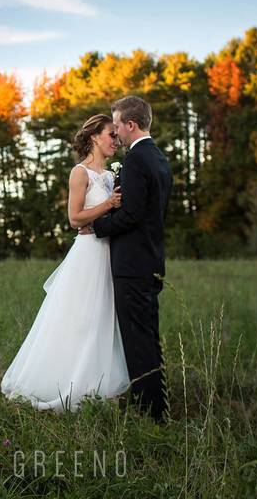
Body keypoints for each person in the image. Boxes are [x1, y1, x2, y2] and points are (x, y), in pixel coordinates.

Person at [0, 114, 130, 412]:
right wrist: (108, 205)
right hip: (88, 255)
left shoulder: (111, 175)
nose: (116, 140)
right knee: (80, 320)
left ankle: (100, 386)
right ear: (95, 137)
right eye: (111, 134)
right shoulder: (80, 173)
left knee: (104, 321)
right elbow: (74, 219)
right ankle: (66, 382)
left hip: (110, 253)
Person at [80, 95, 173, 423]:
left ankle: (151, 412)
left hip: (131, 265)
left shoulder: (135, 161)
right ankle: (157, 403)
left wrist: (100, 225)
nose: (115, 131)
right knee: (147, 335)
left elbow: (131, 214)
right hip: (151, 261)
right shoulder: (159, 158)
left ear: (131, 125)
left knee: (137, 340)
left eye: (117, 124)